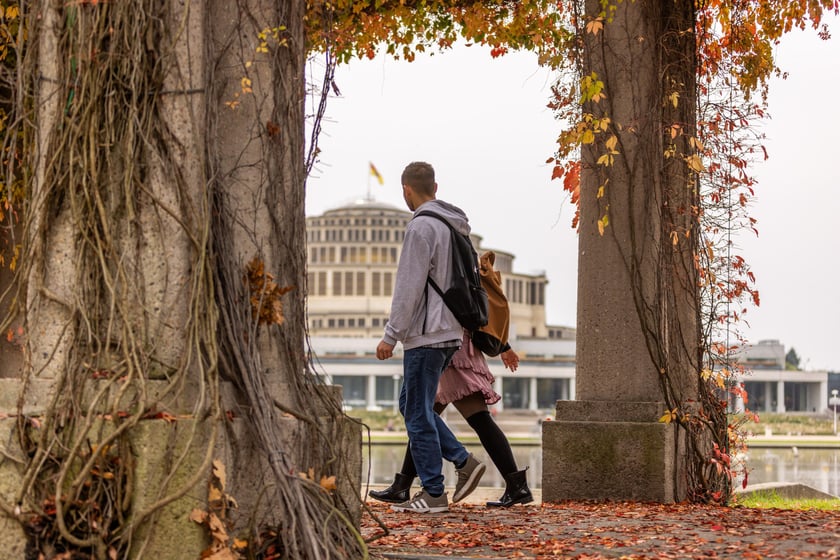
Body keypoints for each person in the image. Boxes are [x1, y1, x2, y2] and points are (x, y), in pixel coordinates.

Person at [371, 252, 534, 508]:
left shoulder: (448, 262)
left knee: (422, 414)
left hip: (449, 349)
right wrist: (503, 346)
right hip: (457, 347)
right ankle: (516, 485)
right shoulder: (457, 258)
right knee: (426, 416)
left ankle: (416, 481)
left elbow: (465, 306)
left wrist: (504, 345)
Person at [375, 161, 485, 514]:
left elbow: (408, 286)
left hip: (426, 332)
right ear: (435, 189)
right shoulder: (454, 227)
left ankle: (434, 493)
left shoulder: (421, 227)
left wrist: (391, 335)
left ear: (407, 190)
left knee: (418, 414)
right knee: (413, 408)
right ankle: (461, 460)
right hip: (450, 329)